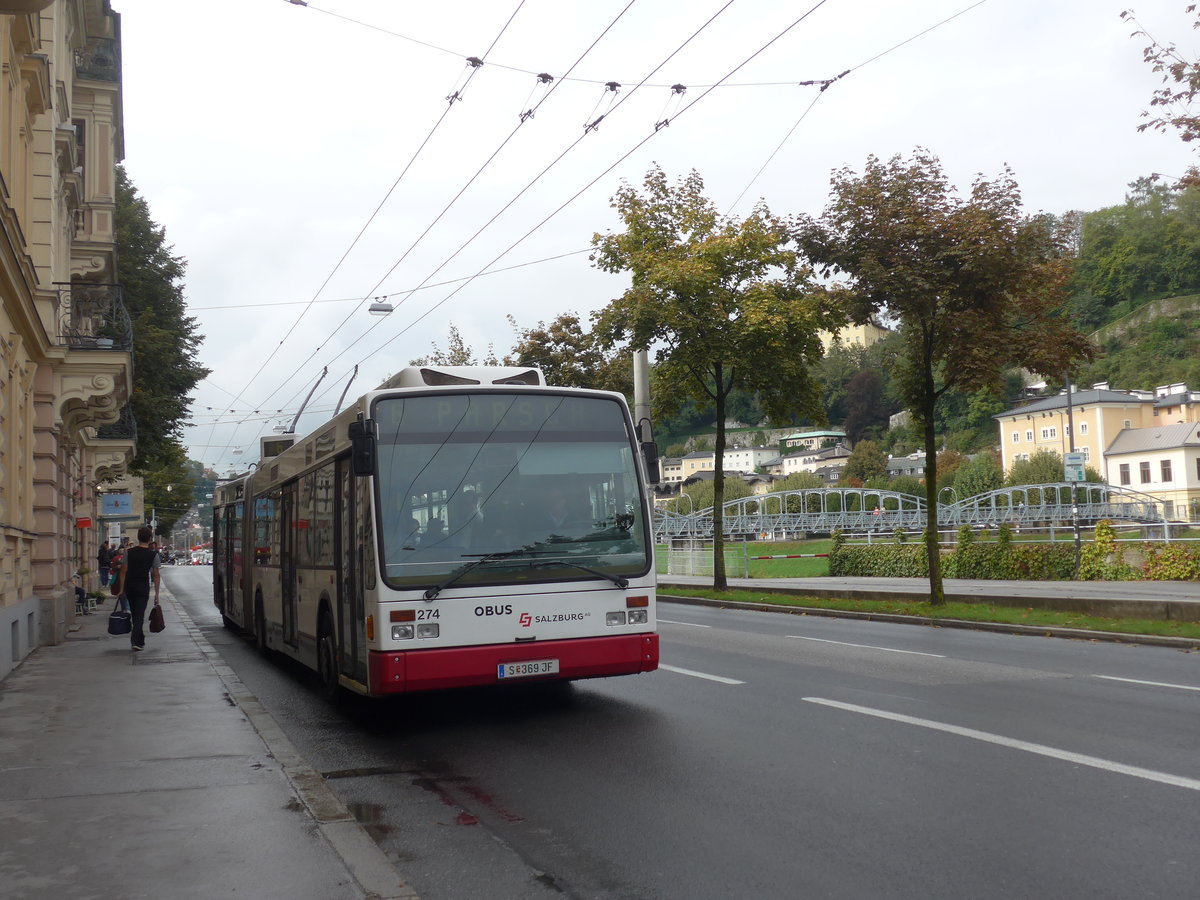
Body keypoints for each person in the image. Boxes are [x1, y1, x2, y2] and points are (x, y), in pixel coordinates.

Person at [114, 526, 161, 652]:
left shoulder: (128, 553)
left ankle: (139, 639)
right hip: (143, 588)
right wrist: (156, 594)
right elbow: (156, 575)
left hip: (130, 587)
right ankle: (136, 641)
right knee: (139, 615)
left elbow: (123, 571)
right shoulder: (153, 555)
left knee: (135, 614)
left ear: (138, 537)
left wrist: (121, 589)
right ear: (150, 539)